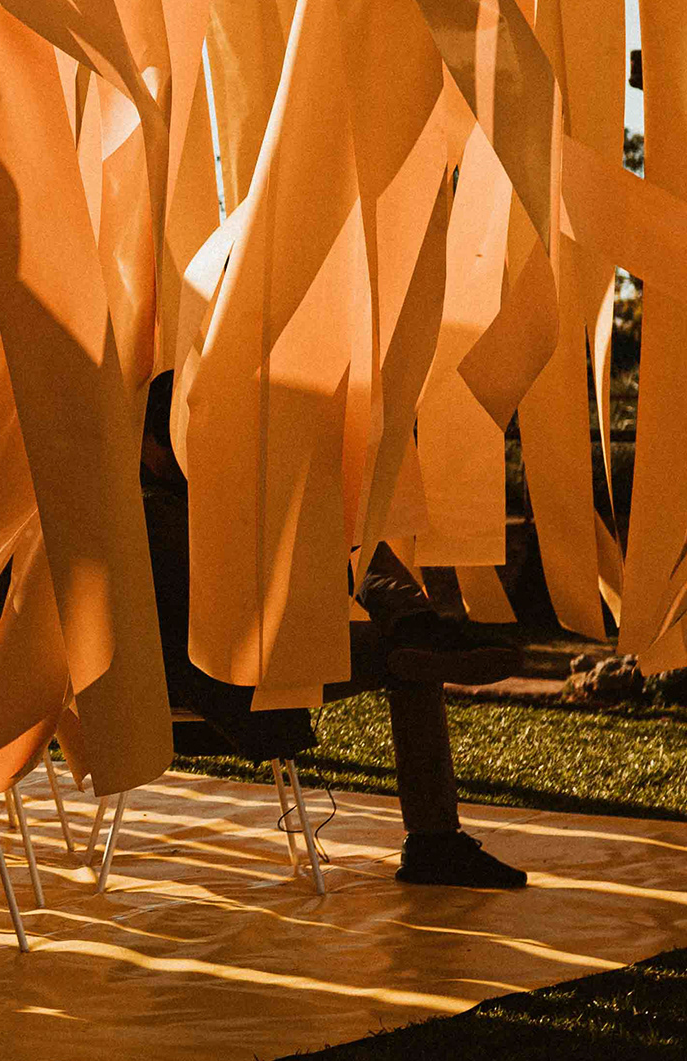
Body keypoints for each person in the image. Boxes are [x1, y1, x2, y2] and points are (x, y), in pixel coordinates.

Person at [138, 372, 530, 888]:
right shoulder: (152, 512)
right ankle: (434, 838)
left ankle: (415, 626)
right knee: (404, 656)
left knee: (348, 539)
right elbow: (219, 621)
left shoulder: (189, 499)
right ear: (152, 442)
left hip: (264, 655)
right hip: (223, 685)